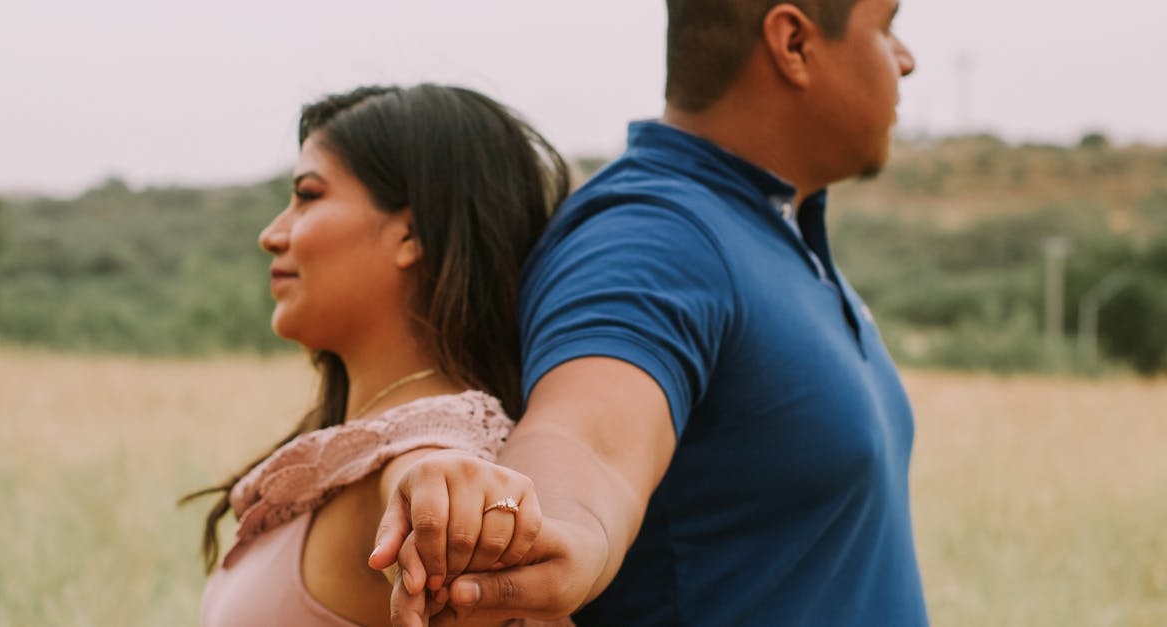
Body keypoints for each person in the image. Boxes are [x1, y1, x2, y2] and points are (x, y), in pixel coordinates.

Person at [372, 0, 928, 624]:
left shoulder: (774, 227)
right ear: (793, 43)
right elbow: (584, 438)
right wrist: (549, 527)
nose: (906, 61)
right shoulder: (652, 235)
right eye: (886, 28)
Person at [184, 83, 570, 626]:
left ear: (410, 233)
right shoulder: (361, 447)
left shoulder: (433, 451)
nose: (271, 234)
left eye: (309, 195)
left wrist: (444, 485)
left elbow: (429, 469)